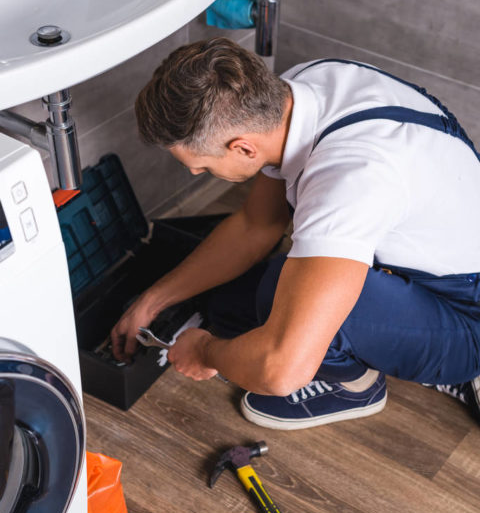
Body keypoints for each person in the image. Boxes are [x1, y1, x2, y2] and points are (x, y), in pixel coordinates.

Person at [110, 37, 480, 430]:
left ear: (244, 149)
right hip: (433, 255)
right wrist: (153, 300)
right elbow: (258, 226)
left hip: (467, 315)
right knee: (233, 307)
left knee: (276, 310)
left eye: (199, 165)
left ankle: (358, 384)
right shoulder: (298, 88)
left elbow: (280, 370)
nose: (194, 173)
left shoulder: (348, 178)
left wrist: (205, 352)